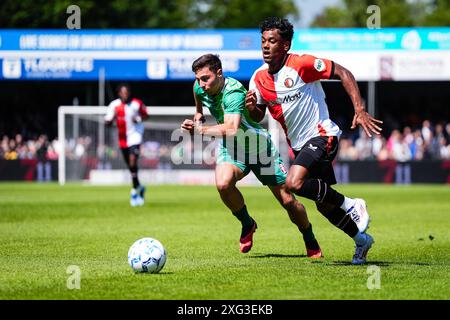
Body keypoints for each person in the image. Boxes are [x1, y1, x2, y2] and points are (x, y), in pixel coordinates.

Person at [246, 17, 383, 265]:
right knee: (324, 205)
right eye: (263, 41)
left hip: (322, 135)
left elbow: (343, 72)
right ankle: (362, 241)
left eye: (272, 41)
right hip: (299, 146)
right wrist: (252, 108)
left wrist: (359, 109)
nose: (266, 46)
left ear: (285, 45)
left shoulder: (302, 64)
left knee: (293, 183)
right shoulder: (257, 78)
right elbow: (258, 116)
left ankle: (352, 203)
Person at [181, 54, 323, 257]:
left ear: (219, 73)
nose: (201, 84)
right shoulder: (199, 88)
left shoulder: (234, 92)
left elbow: (231, 128)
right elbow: (198, 101)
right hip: (232, 149)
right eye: (198, 79)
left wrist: (199, 130)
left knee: (288, 201)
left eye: (205, 78)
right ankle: (247, 223)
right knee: (223, 184)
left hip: (259, 148)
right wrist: (198, 115)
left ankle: (309, 237)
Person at [105, 83, 148, 207]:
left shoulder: (137, 103)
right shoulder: (114, 105)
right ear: (119, 93)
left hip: (135, 137)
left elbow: (146, 115)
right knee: (130, 166)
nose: (125, 94)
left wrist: (138, 119)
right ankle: (139, 186)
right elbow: (107, 121)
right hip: (123, 139)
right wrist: (110, 120)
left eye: (127, 92)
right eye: (123, 92)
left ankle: (134, 192)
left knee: (133, 161)